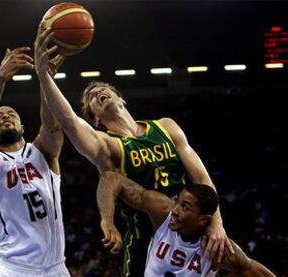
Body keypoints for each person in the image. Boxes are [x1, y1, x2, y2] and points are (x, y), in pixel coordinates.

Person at [34, 26, 233, 276]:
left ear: (122, 99)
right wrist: (44, 76)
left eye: (102, 89)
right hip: (144, 242)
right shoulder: (107, 145)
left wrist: (217, 223)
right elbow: (70, 121)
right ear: (96, 120)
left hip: (188, 233)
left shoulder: (166, 127)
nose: (97, 92)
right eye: (91, 97)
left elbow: (202, 180)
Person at [0, 46, 70, 276]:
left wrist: (46, 80)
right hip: (17, 269)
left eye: (11, 113)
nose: (5, 116)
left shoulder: (42, 152)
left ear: (22, 126)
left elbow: (52, 126)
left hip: (57, 268)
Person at [98, 171, 276, 277]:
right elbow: (111, 178)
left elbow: (250, 268)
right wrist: (107, 221)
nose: (175, 210)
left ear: (203, 219)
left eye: (185, 206)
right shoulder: (163, 213)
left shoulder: (216, 248)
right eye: (177, 201)